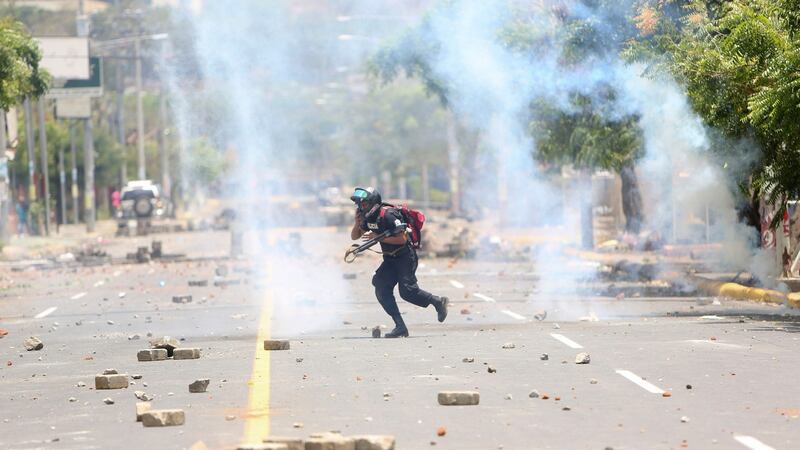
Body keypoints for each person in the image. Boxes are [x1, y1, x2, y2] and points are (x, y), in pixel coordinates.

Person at [350, 187, 448, 338]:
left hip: (405, 257)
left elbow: (401, 239)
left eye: (363, 204)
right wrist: (357, 223)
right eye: (359, 205)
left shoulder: (388, 215)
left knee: (408, 292)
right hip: (390, 259)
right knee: (381, 286)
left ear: (372, 203)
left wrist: (378, 237)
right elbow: (355, 236)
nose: (360, 208)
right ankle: (400, 327)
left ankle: (438, 302)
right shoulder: (367, 217)